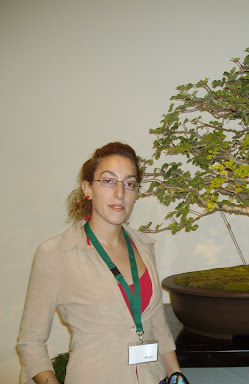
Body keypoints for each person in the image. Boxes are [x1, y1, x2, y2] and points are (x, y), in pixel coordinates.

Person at [18, 142, 184, 384]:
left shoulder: (144, 247)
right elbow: (31, 342)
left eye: (129, 184)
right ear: (88, 189)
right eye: (108, 181)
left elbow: (157, 323)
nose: (120, 193)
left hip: (153, 378)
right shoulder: (56, 253)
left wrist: (177, 376)